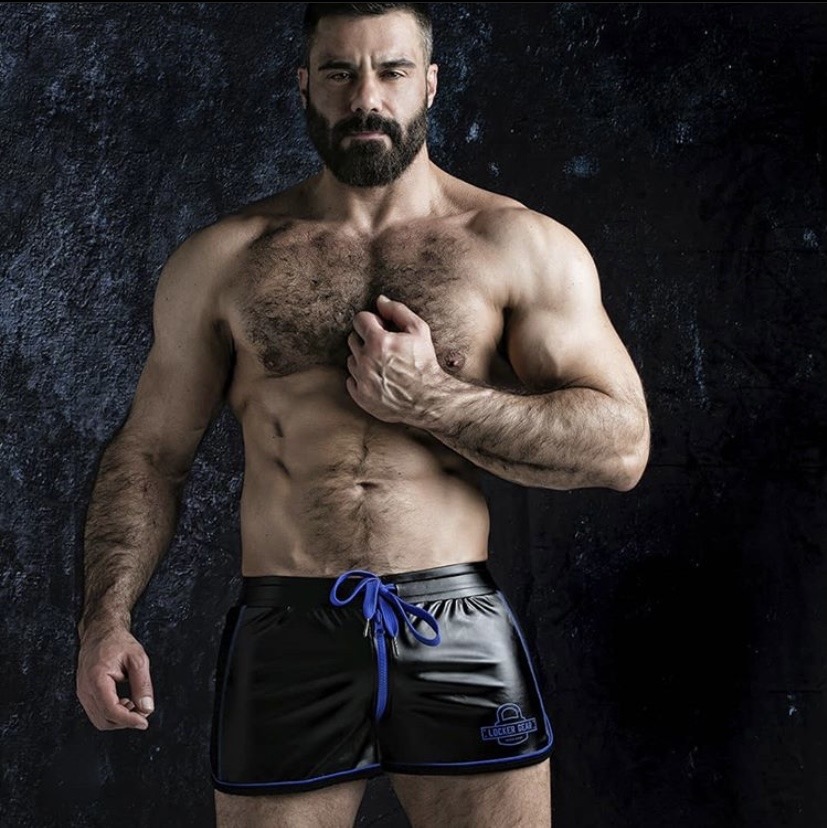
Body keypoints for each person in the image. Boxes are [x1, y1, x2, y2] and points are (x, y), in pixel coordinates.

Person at [75, 3, 650, 826]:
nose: (365, 97)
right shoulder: (225, 258)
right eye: (339, 72)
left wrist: (434, 399)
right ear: (304, 84)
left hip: (452, 621)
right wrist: (105, 621)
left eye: (392, 70)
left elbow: (620, 447)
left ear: (431, 83)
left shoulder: (516, 244)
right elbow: (150, 454)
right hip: (287, 626)